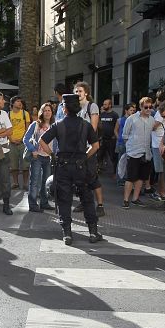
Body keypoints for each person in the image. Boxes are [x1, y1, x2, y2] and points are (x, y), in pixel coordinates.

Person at [39, 93, 102, 245]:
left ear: (65, 109)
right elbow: (96, 146)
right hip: (81, 166)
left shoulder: (58, 125)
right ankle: (93, 232)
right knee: (87, 199)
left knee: (64, 200)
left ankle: (67, 233)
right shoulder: (85, 125)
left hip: (63, 166)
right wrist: (85, 157)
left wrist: (53, 155)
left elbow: (42, 141)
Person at [72, 82, 105, 216]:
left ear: (86, 93)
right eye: (76, 91)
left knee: (92, 177)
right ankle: (83, 201)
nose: (78, 93)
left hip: (89, 147)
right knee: (79, 177)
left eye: (80, 91)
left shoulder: (92, 106)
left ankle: (100, 205)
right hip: (77, 149)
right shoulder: (74, 108)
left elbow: (93, 128)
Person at [121, 97, 157, 208]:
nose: (148, 109)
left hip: (146, 153)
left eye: (150, 107)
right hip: (133, 152)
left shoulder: (152, 120)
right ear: (141, 107)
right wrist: (130, 148)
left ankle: (135, 199)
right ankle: (126, 200)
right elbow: (125, 135)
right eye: (146, 107)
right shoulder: (131, 119)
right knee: (131, 178)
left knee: (142, 177)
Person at [24, 102, 54, 212]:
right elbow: (25, 139)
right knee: (35, 181)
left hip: (48, 157)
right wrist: (33, 150)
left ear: (52, 112)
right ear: (41, 112)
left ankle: (44, 203)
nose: (47, 112)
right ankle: (32, 204)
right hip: (37, 157)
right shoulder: (35, 124)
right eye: (45, 110)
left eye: (49, 110)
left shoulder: (54, 125)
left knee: (46, 182)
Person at [7, 95, 32, 190]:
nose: (20, 103)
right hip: (11, 142)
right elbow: (6, 128)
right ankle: (15, 182)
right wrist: (11, 139)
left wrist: (22, 139)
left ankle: (25, 183)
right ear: (12, 103)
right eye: (17, 101)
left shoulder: (25, 114)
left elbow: (28, 128)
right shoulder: (8, 114)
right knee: (13, 165)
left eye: (20, 101)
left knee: (25, 165)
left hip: (23, 143)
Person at [97, 99, 119, 175]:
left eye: (105, 104)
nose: (104, 106)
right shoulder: (102, 115)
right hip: (103, 139)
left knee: (113, 156)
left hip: (111, 139)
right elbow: (99, 126)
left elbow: (117, 126)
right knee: (100, 155)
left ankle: (114, 172)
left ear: (110, 105)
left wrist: (114, 136)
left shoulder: (114, 115)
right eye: (103, 104)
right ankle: (98, 170)